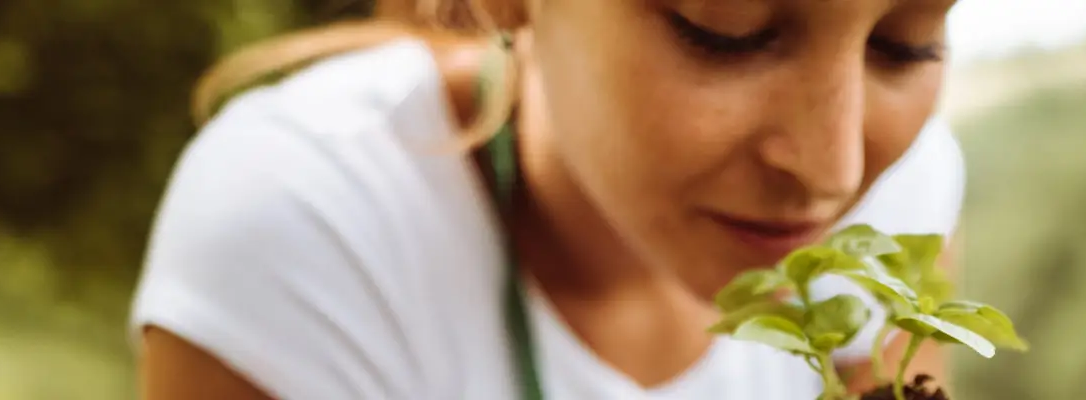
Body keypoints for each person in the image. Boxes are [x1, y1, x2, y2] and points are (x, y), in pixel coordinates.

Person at [128, 0, 967, 398]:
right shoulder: (307, 228)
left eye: (905, 45)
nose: (833, 170)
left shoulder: (904, 194)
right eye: (726, 33)